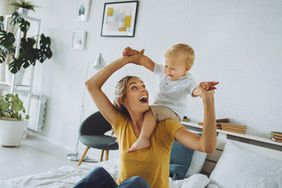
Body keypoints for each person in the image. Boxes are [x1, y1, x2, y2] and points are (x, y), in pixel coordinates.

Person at [74, 53, 217, 188]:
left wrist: (208, 101)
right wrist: (126, 60)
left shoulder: (166, 125)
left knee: (137, 182)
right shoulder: (121, 124)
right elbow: (92, 85)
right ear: (123, 100)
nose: (143, 90)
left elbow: (206, 146)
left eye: (143, 86)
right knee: (98, 174)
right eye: (134, 88)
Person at [123, 44, 218, 152]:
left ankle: (144, 139)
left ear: (186, 69)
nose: (168, 71)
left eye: (172, 69)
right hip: (159, 109)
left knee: (150, 111)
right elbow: (148, 63)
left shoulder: (188, 81)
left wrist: (202, 88)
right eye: (166, 66)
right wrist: (134, 55)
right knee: (143, 112)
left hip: (173, 112)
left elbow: (195, 91)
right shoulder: (164, 71)